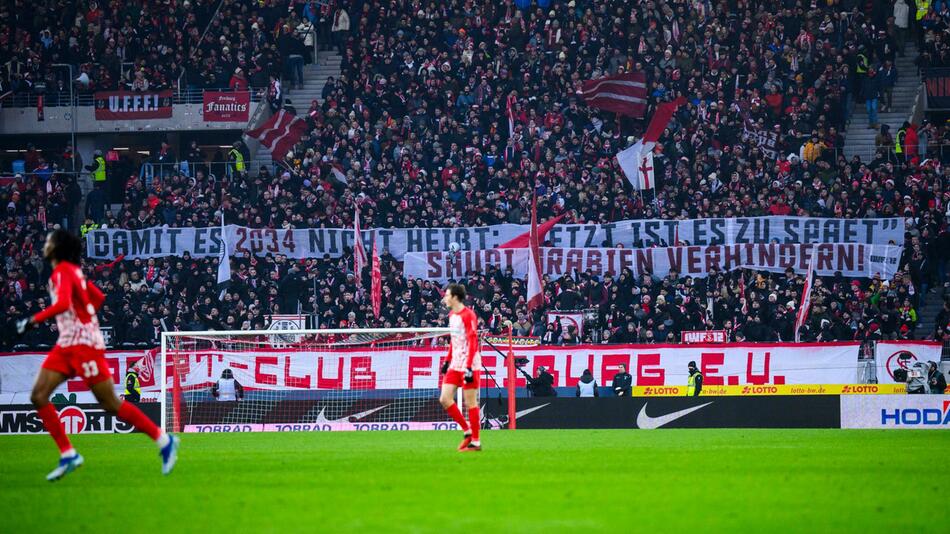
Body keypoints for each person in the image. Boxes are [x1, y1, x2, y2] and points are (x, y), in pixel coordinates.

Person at [16, 229, 179, 481]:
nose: (45, 245)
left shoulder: (63, 272)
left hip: (83, 345)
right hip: (67, 343)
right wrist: (85, 314)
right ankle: (68, 453)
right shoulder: (72, 273)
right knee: (38, 396)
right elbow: (98, 297)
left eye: (49, 242)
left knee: (110, 403)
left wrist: (32, 320)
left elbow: (61, 305)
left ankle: (164, 440)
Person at [438, 283, 482, 452]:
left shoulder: (468, 315)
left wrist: (469, 366)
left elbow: (472, 342)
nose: (445, 298)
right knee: (445, 398)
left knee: (470, 402)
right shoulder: (451, 315)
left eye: (447, 295)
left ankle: (476, 442)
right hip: (455, 363)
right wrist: (447, 361)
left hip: (469, 363)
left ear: (455, 297)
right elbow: (454, 341)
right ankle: (467, 430)